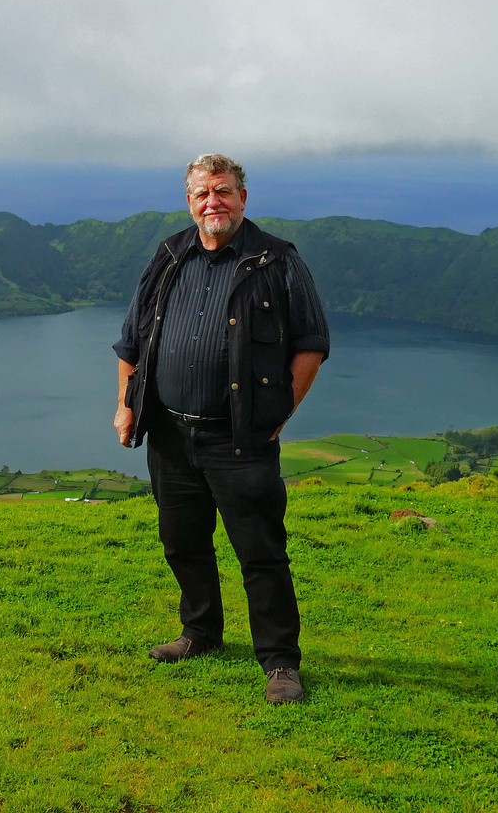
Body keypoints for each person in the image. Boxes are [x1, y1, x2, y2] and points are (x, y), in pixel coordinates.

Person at [113, 153, 329, 705]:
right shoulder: (169, 256)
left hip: (240, 439)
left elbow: (310, 345)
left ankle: (280, 662)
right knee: (182, 544)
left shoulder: (276, 261)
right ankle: (200, 634)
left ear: (243, 198)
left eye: (225, 192)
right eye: (204, 193)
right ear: (190, 201)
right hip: (168, 435)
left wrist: (279, 415)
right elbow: (133, 339)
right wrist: (126, 405)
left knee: (260, 551)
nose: (215, 202)